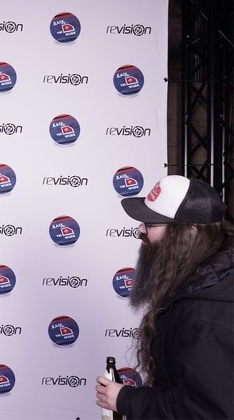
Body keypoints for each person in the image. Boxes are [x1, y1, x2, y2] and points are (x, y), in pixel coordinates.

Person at [96, 175, 233, 419]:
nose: (140, 230)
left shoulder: (204, 316)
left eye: (150, 223)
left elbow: (204, 412)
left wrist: (125, 399)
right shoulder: (203, 282)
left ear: (188, 234)